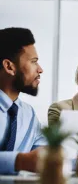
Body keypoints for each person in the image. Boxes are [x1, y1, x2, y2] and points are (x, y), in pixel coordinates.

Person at [0, 27, 46, 174]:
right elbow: (27, 160)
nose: (40, 70)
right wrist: (20, 161)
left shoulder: (28, 113)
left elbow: (43, 152)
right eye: (34, 62)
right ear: (9, 67)